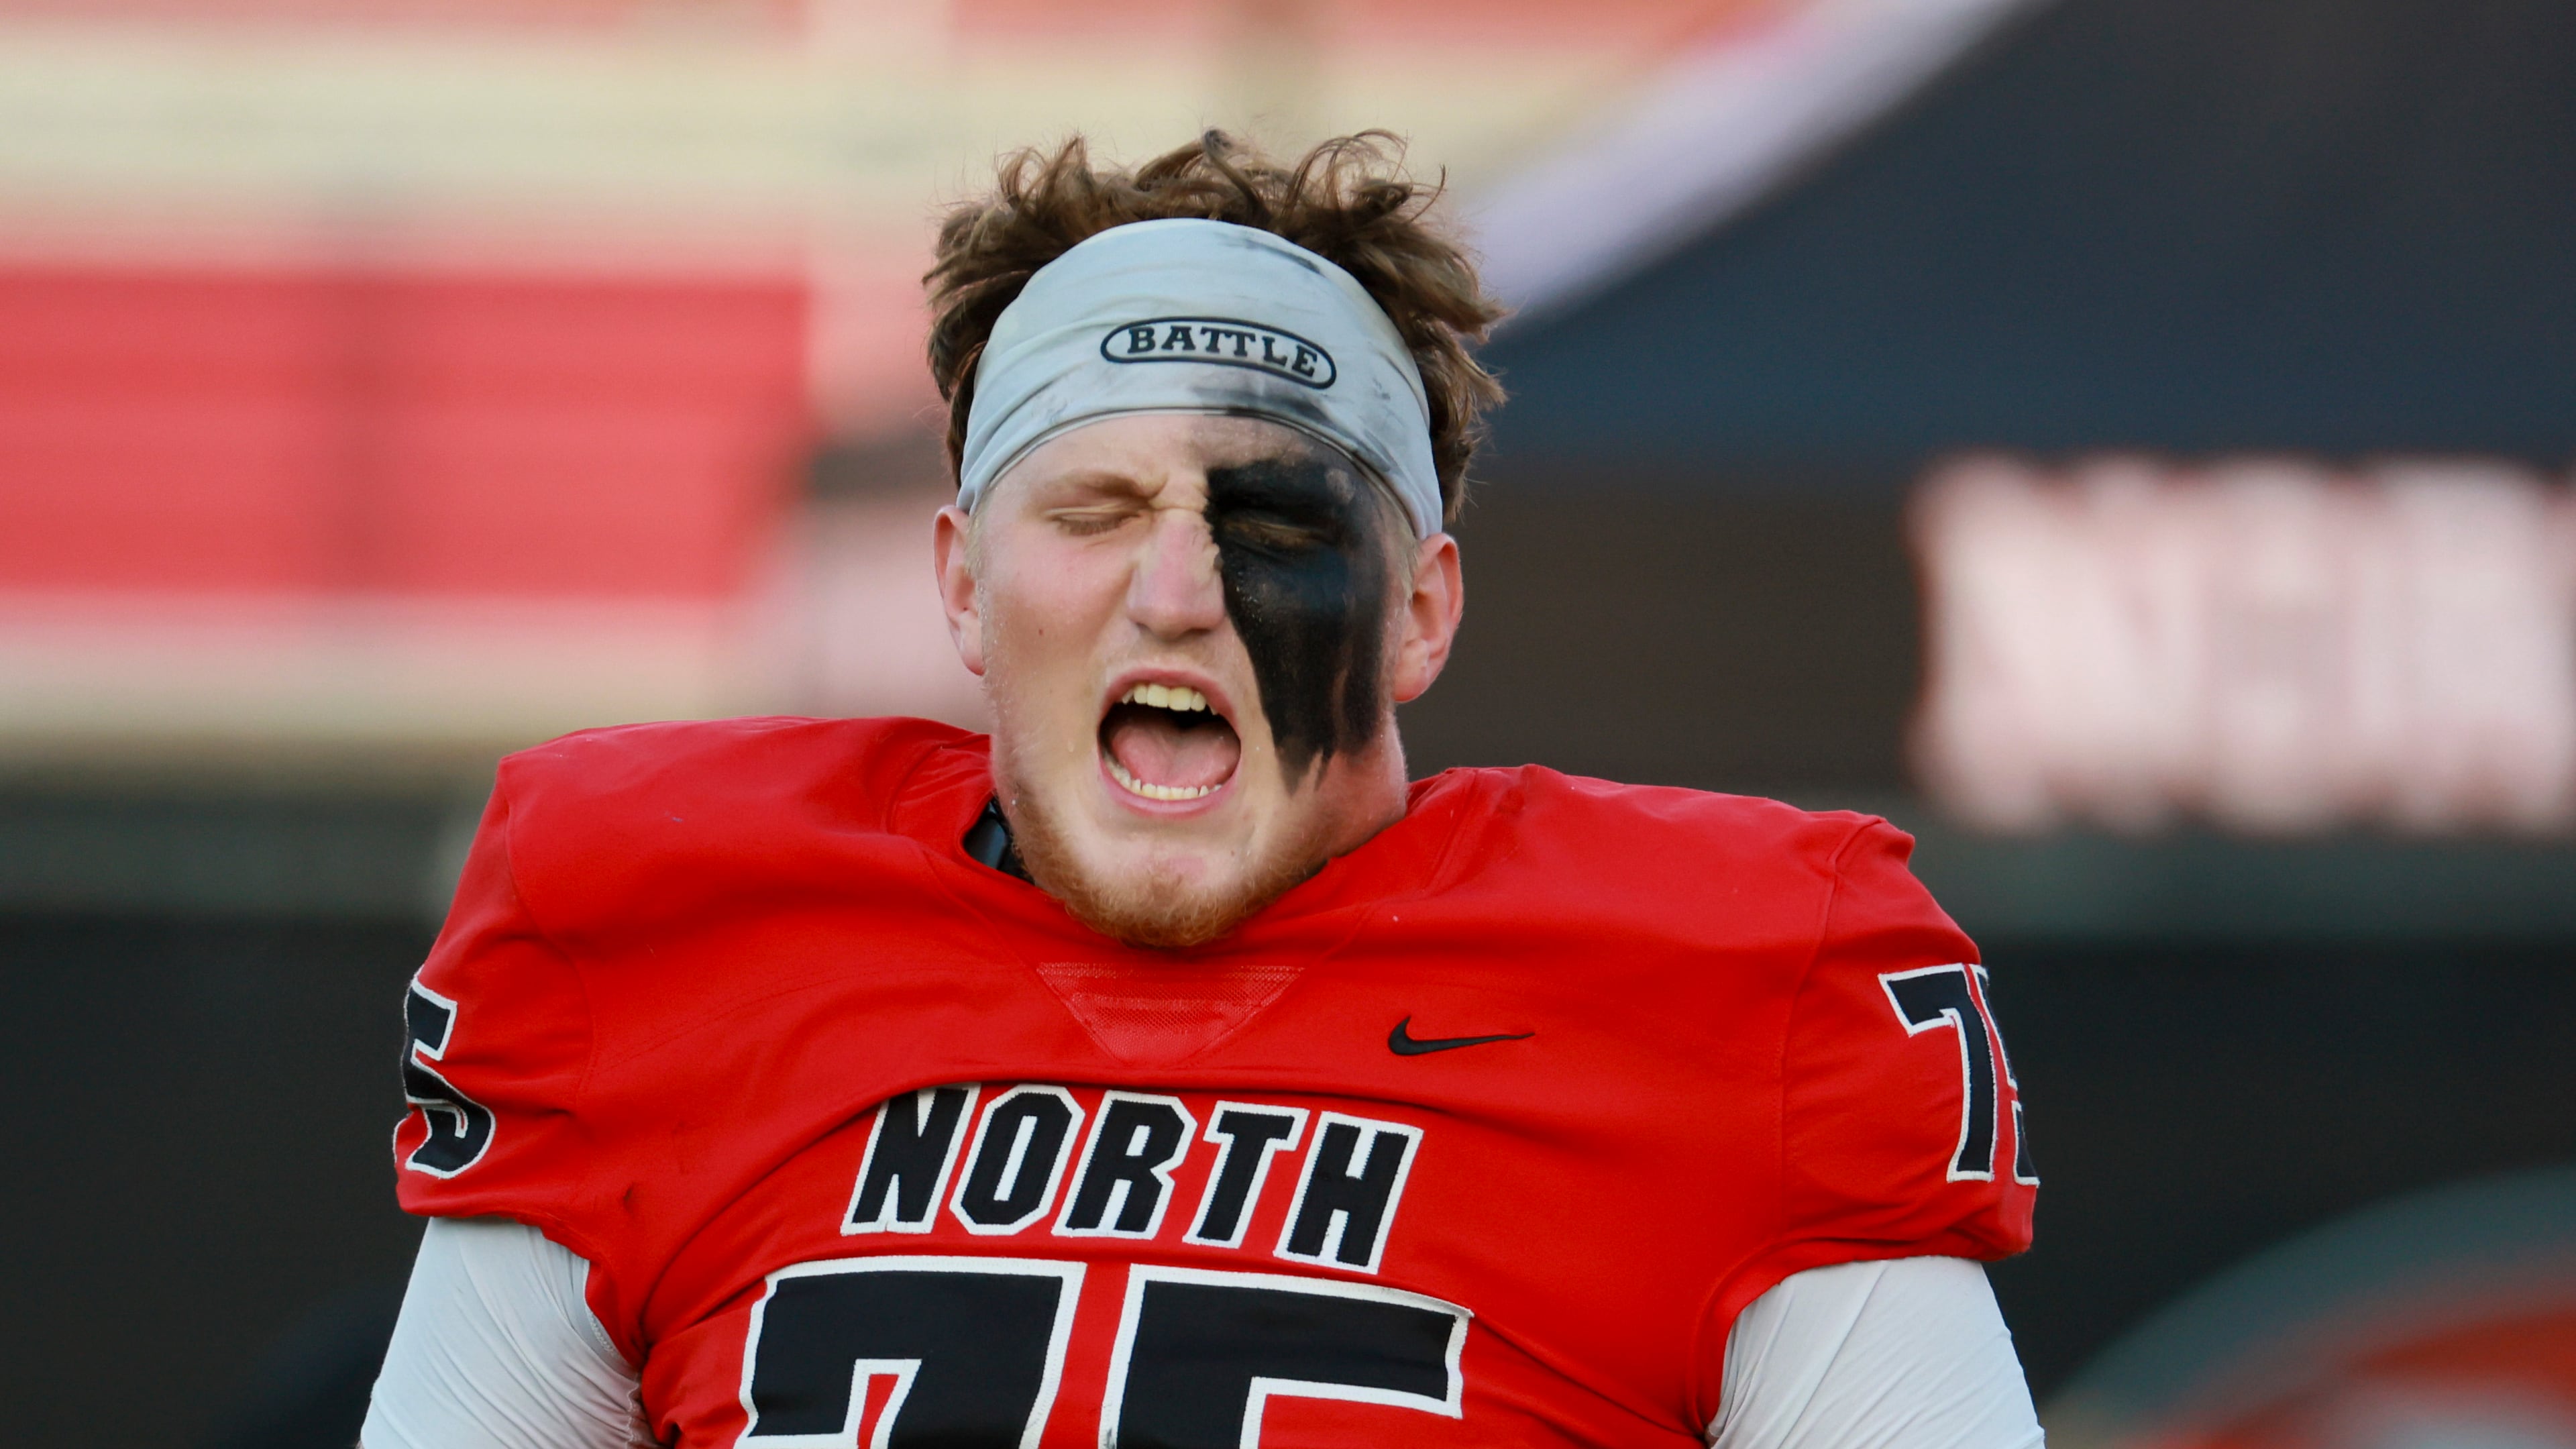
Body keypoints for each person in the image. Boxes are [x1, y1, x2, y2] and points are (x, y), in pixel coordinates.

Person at [362, 131, 2043, 1449]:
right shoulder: (663, 934)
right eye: (1094, 511)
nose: (1177, 590)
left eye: (1279, 527)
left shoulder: (1731, 1003)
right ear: (959, 585)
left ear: (1425, 613)